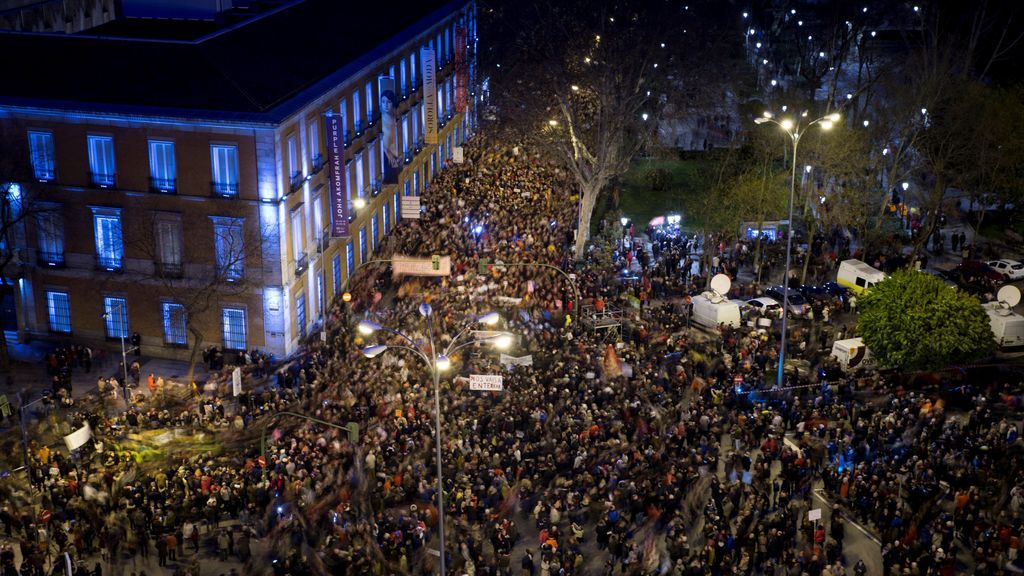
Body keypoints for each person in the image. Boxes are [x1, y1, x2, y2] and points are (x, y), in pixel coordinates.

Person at [380, 88, 402, 184]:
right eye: (383, 101)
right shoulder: (382, 123)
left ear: (392, 103)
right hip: (388, 159)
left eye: (388, 102)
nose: (385, 104)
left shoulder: (393, 120)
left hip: (394, 157)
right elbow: (384, 144)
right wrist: (390, 156)